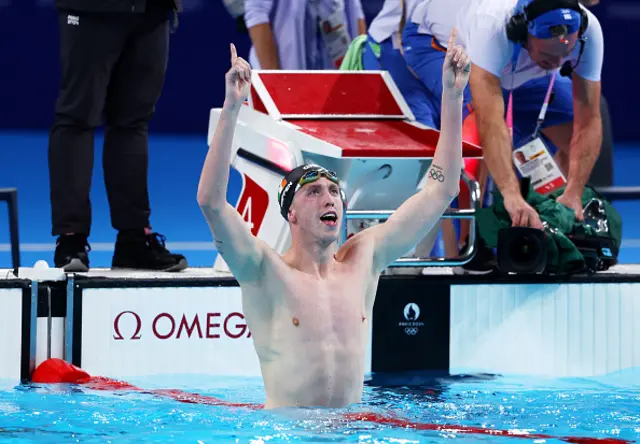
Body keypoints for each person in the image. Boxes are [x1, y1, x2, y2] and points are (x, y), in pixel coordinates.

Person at [197, 33, 469, 409]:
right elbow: (211, 203)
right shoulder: (263, 270)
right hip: (289, 435)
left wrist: (452, 99)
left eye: (333, 191)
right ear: (290, 213)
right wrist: (231, 110)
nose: (330, 198)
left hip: (352, 432)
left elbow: (441, 190)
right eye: (314, 192)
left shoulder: (364, 260)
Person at [401, 0, 604, 229]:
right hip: (436, 42)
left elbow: (589, 121)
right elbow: (490, 121)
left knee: (569, 122)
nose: (558, 64)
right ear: (522, 32)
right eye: (549, 55)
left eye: (565, 55)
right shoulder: (491, 26)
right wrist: (511, 194)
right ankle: (469, 240)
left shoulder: (590, 32)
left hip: (516, 57)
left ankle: (555, 215)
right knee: (473, 128)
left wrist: (574, 192)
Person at [49, 0, 188, 272]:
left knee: (133, 122)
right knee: (78, 117)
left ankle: (134, 238)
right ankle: (70, 238)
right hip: (90, 9)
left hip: (152, 10)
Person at [244, 0, 367, 70]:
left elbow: (356, 12)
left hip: (332, 75)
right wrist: (273, 80)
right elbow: (257, 16)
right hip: (286, 74)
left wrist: (359, 71)